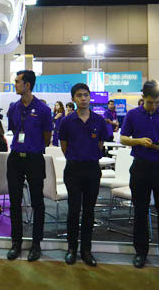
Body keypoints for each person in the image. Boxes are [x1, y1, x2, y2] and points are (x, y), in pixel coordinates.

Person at [120, 81, 159, 271]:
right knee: (140, 211)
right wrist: (139, 141)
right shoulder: (133, 114)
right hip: (140, 167)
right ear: (143, 98)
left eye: (157, 102)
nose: (154, 106)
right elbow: (123, 138)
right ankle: (141, 252)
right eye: (150, 102)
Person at [6, 70, 52, 262]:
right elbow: (14, 129)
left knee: (37, 202)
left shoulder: (43, 109)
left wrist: (33, 146)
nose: (15, 84)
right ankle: (16, 242)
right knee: (14, 202)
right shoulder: (13, 108)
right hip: (16, 158)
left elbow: (47, 138)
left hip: (34, 158)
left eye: (18, 81)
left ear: (27, 85)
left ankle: (36, 243)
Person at [59, 83, 107, 266]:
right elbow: (64, 145)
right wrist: (75, 157)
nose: (83, 98)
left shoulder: (98, 120)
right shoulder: (66, 121)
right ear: (73, 98)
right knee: (73, 210)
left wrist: (89, 156)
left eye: (86, 95)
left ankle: (86, 250)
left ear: (90, 97)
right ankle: (72, 248)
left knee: (89, 211)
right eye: (79, 95)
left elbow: (100, 144)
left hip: (92, 169)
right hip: (73, 169)